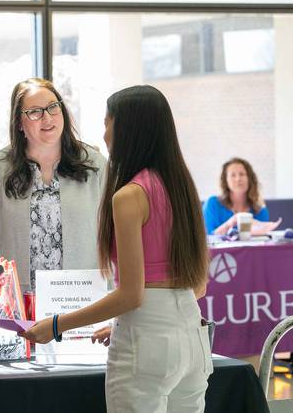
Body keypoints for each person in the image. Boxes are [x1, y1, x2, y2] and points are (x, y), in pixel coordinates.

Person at [21, 85, 212, 413]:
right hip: (193, 337)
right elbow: (198, 285)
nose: (104, 133)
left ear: (127, 129)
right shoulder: (182, 189)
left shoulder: (130, 196)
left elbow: (131, 295)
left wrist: (56, 325)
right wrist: (128, 320)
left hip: (147, 344)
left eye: (108, 122)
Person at [0, 78, 106, 290]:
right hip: (19, 300)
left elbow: (112, 236)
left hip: (80, 301)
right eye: (35, 112)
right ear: (18, 123)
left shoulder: (94, 164)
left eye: (53, 107)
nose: (47, 118)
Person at [203, 157, 280, 235]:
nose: (238, 179)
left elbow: (262, 242)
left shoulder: (260, 211)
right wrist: (230, 223)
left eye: (242, 174)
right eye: (233, 175)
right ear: (225, 180)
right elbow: (206, 239)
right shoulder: (212, 204)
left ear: (249, 179)